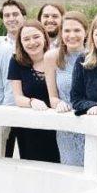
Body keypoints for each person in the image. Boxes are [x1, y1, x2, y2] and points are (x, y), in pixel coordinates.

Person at [7, 21, 60, 162]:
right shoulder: (16, 62)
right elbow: (18, 97)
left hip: (57, 127)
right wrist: (31, 102)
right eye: (26, 39)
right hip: (29, 128)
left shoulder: (56, 58)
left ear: (44, 37)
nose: (32, 42)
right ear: (20, 42)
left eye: (36, 37)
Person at [46, 10, 89, 166]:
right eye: (67, 30)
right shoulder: (52, 57)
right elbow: (52, 97)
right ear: (61, 33)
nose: (72, 35)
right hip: (66, 129)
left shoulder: (93, 57)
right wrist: (59, 103)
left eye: (77, 30)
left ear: (86, 32)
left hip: (91, 124)